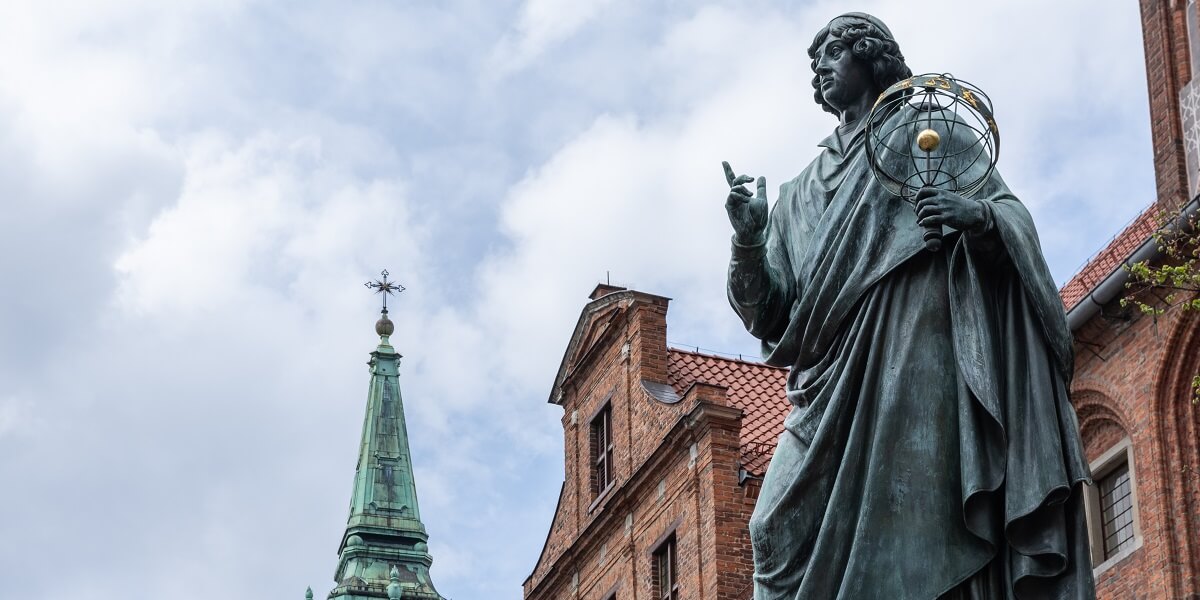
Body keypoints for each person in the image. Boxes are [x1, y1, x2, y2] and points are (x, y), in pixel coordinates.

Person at [723, 13, 1096, 599]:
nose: (819, 68)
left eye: (833, 53)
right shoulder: (797, 194)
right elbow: (768, 316)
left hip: (919, 361)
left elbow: (1010, 215)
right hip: (826, 387)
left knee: (929, 526)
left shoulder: (930, 133)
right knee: (770, 531)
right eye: (814, 61)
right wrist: (748, 240)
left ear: (870, 58)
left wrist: (980, 219)